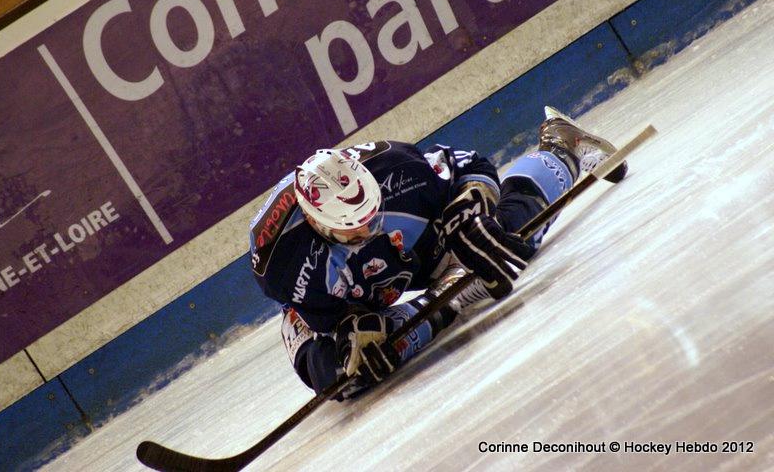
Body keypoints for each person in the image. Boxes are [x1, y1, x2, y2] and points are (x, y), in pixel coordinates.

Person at [250, 106, 627, 398]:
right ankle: (451, 296)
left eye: (369, 213)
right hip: (337, 296)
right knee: (341, 376)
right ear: (317, 223)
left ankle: (563, 147)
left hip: (410, 249)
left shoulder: (394, 167)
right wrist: (348, 334)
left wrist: (469, 210)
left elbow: (471, 166)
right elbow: (320, 323)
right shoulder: (281, 263)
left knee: (501, 243)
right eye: (351, 227)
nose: (366, 228)